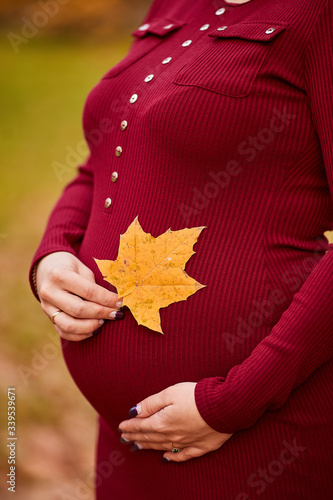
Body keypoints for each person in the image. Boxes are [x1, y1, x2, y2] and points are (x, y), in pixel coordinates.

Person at [29, 0, 333, 498]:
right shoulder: (174, 4)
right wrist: (54, 252)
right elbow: (101, 162)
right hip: (127, 443)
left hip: (263, 434)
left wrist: (234, 402)